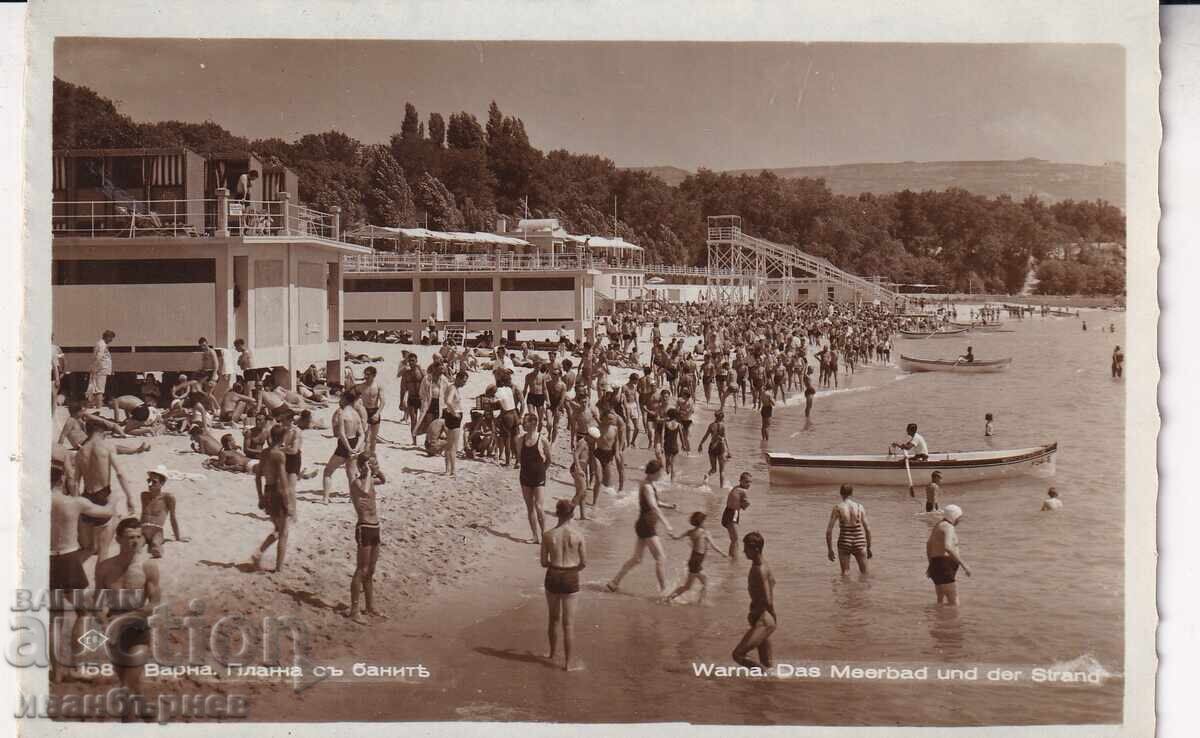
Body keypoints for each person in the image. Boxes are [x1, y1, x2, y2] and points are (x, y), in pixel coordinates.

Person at [49, 465, 112, 678]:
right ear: (61, 480)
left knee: (55, 620)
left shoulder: (35, 502)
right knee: (85, 612)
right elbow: (107, 512)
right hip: (67, 559)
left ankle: (57, 672)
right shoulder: (74, 502)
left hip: (46, 559)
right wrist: (114, 500)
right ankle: (77, 662)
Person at [94, 518, 161, 718]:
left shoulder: (148, 566)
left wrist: (128, 617)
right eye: (130, 537)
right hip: (114, 632)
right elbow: (98, 602)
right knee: (127, 679)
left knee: (126, 684)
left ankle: (128, 723)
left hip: (138, 630)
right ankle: (144, 709)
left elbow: (154, 603)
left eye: (139, 537)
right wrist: (103, 620)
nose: (135, 541)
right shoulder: (105, 567)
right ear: (118, 539)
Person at [76, 418, 138, 576]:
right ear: (101, 431)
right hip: (102, 496)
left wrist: (76, 504)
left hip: (85, 498)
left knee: (88, 549)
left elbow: (74, 482)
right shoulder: (107, 446)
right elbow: (120, 473)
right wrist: (130, 497)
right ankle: (100, 585)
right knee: (103, 551)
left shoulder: (81, 451)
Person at [606, 460, 676, 595]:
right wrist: (667, 524)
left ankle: (614, 583)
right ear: (654, 472)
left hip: (644, 524)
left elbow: (655, 502)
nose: (661, 475)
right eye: (660, 472)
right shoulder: (647, 487)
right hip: (647, 525)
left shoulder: (647, 484)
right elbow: (653, 506)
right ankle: (664, 592)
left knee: (637, 559)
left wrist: (668, 506)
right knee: (660, 558)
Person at [541, 499, 586, 671]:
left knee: (553, 619)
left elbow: (543, 562)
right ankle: (568, 663)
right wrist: (573, 570)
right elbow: (584, 563)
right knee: (568, 624)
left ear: (557, 513)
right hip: (570, 576)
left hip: (553, 574)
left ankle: (552, 653)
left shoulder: (548, 535)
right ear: (572, 515)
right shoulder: (578, 536)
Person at [348, 454, 386, 624]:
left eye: (375, 463)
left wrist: (377, 470)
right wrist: (369, 472)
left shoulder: (370, 480)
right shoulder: (356, 483)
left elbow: (383, 480)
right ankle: (354, 610)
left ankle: (370, 607)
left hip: (375, 526)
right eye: (371, 464)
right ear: (362, 467)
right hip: (364, 527)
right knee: (361, 569)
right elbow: (363, 491)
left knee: (370, 570)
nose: (374, 466)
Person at [732, 531, 776, 670]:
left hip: (763, 620)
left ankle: (763, 675)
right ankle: (767, 680)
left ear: (756, 549)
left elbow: (768, 600)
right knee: (766, 663)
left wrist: (768, 617)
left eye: (746, 548)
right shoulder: (764, 565)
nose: (744, 551)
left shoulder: (759, 569)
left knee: (738, 655)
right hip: (762, 619)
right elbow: (773, 582)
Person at [253, 426, 293, 572]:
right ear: (282, 437)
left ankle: (259, 553)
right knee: (284, 532)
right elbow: (283, 481)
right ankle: (279, 568)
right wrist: (289, 503)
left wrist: (260, 497)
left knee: (278, 529)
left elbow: (258, 477)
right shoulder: (279, 455)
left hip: (268, 491)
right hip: (278, 493)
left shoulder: (264, 453)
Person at [665, 512, 728, 604]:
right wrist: (723, 553)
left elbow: (676, 537)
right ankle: (670, 599)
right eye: (704, 521)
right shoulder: (704, 532)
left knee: (703, 581)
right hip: (696, 562)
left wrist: (671, 535)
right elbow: (714, 546)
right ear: (702, 522)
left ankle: (700, 601)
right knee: (689, 586)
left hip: (693, 560)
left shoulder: (690, 532)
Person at [323, 391, 365, 504]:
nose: (340, 401)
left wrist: (348, 448)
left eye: (341, 399)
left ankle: (325, 498)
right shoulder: (356, 414)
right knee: (351, 474)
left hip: (344, 444)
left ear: (345, 400)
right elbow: (362, 434)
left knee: (328, 471)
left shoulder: (342, 414)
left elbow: (341, 434)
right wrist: (356, 448)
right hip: (354, 442)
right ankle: (353, 498)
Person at [926, 504, 971, 605]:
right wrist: (964, 565)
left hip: (936, 565)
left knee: (940, 601)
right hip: (944, 567)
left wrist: (930, 565)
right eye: (959, 517)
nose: (960, 520)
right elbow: (948, 547)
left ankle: (937, 616)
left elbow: (928, 545)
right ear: (954, 516)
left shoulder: (938, 525)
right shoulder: (948, 527)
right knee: (954, 602)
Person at [518, 413, 551, 544]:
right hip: (525, 476)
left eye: (525, 422)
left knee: (539, 506)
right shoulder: (520, 440)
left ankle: (544, 535)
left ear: (533, 423)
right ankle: (535, 536)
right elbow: (520, 458)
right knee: (530, 507)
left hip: (539, 476)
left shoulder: (542, 440)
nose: (522, 424)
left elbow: (549, 459)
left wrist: (542, 471)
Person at [140, 465, 185, 558]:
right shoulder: (144, 495)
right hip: (143, 530)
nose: (150, 484)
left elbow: (172, 518)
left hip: (156, 530)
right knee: (136, 545)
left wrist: (177, 537)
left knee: (156, 544)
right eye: (148, 481)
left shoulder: (168, 498)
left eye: (154, 482)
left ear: (162, 483)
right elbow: (142, 515)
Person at [826, 484, 871, 575]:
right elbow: (867, 529)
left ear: (840, 493)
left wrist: (830, 550)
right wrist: (869, 547)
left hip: (844, 542)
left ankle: (845, 585)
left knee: (845, 573)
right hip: (859, 542)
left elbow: (829, 531)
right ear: (852, 493)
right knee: (865, 573)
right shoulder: (860, 507)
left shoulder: (837, 508)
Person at [441, 371, 467, 477]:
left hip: (450, 416)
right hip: (453, 418)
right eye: (464, 381)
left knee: (449, 444)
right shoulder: (453, 388)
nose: (464, 383)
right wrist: (454, 413)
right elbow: (448, 401)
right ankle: (452, 470)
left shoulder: (452, 387)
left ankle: (448, 470)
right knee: (453, 446)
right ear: (458, 379)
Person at [697, 411, 732, 489]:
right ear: (722, 417)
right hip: (720, 448)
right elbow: (725, 439)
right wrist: (728, 451)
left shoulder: (711, 425)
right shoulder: (723, 426)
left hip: (712, 448)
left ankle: (707, 475)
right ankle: (721, 488)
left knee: (713, 469)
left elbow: (706, 436)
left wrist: (701, 444)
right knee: (722, 471)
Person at [721, 472, 753, 560]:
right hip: (732, 514)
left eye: (750, 482)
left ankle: (730, 557)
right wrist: (747, 504)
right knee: (735, 540)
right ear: (740, 481)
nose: (749, 484)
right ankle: (734, 560)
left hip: (728, 512)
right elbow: (745, 506)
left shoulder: (736, 487)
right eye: (746, 482)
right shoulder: (743, 491)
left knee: (734, 540)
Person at [358, 366, 385, 455]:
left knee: (373, 437)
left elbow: (382, 402)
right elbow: (352, 398)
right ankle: (362, 454)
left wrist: (377, 413)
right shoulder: (361, 386)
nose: (366, 376)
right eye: (365, 374)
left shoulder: (378, 386)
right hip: (364, 411)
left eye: (368, 374)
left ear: (374, 375)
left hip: (374, 411)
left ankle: (372, 454)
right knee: (363, 436)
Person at [87, 330, 115, 409]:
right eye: (111, 338)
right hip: (100, 370)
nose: (111, 340)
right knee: (100, 390)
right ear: (107, 337)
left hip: (100, 369)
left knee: (97, 389)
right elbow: (99, 357)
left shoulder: (101, 344)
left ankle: (95, 405)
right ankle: (99, 408)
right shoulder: (102, 345)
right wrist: (95, 367)